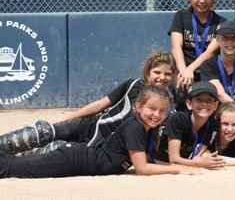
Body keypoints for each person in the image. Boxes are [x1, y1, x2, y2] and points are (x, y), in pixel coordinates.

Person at [0, 86, 203, 178]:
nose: (157, 115)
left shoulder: (148, 130)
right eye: (152, 109)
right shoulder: (135, 127)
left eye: (162, 111)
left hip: (79, 159)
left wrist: (177, 164)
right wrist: (177, 169)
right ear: (138, 107)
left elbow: (148, 159)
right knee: (13, 168)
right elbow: (143, 168)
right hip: (76, 159)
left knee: (16, 165)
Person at [0, 51, 177, 155]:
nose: (162, 78)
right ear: (148, 72)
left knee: (55, 150)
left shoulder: (169, 108)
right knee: (42, 132)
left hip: (103, 144)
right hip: (91, 125)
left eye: (168, 74)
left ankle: (21, 158)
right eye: (157, 72)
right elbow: (99, 105)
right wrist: (66, 120)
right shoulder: (133, 85)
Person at [169, 0, 226, 91]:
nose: (202, 0)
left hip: (209, 74)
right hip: (184, 73)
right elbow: (176, 47)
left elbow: (211, 51)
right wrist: (183, 72)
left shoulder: (221, 23)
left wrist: (190, 70)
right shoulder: (180, 16)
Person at [156, 81, 227, 170]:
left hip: (186, 162)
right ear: (189, 104)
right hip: (161, 162)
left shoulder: (213, 123)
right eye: (199, 99)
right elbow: (174, 160)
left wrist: (203, 162)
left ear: (216, 105)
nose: (204, 104)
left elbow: (197, 156)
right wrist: (202, 164)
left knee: (208, 155)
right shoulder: (178, 119)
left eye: (209, 100)